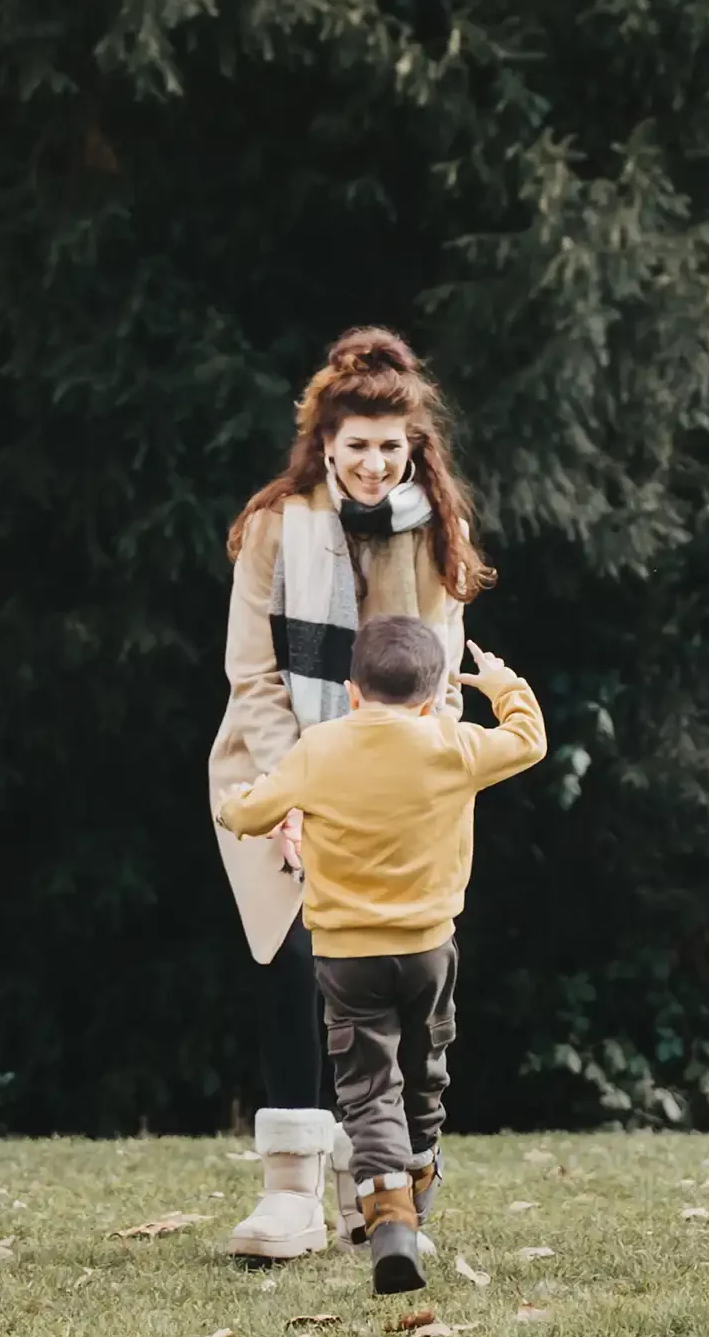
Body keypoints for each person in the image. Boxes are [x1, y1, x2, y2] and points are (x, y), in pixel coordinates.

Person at [208, 329, 494, 1261]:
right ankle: (289, 1191)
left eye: (390, 445)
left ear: (413, 446)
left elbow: (440, 680)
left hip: (399, 776)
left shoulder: (435, 529)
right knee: (294, 958)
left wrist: (401, 775)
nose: (374, 463)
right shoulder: (273, 527)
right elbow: (253, 677)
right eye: (357, 443)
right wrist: (298, 793)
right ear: (325, 443)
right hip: (272, 763)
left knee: (390, 968)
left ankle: (375, 1189)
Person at [218, 616, 546, 1293]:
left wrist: (231, 803)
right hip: (428, 950)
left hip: (347, 957)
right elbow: (529, 740)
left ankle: (390, 1219)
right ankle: (418, 1174)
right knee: (425, 1070)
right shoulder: (451, 743)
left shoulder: (319, 748)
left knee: (368, 1090)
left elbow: (254, 814)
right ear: (429, 699)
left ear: (352, 691)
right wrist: (503, 685)